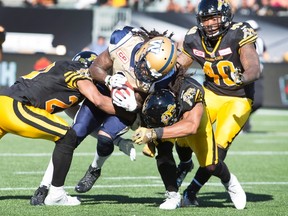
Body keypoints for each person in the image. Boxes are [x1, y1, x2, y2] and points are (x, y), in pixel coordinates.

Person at [30, 26, 178, 205]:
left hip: (126, 108)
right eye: (147, 68)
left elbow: (145, 105)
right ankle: (44, 187)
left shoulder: (162, 78)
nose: (146, 75)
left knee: (105, 138)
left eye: (153, 74)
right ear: (144, 50)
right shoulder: (125, 42)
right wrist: (108, 80)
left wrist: (133, 105)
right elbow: (96, 68)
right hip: (102, 92)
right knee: (72, 136)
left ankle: (94, 169)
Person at [0, 51, 135, 206]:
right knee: (67, 136)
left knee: (68, 135)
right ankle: (56, 194)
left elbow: (83, 124)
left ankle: (48, 190)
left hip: (4, 104)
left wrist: (117, 141)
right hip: (16, 106)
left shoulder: (63, 76)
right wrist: (131, 110)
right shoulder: (80, 72)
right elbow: (99, 102)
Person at [132, 73, 246, 210]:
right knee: (164, 150)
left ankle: (229, 182)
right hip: (168, 117)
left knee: (211, 165)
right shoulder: (149, 84)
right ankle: (172, 195)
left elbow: (191, 126)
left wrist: (153, 133)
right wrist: (149, 135)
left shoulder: (189, 90)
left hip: (194, 124)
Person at [242, 19, 269, 133]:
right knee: (246, 100)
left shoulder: (260, 41)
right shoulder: (241, 42)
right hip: (247, 74)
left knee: (257, 102)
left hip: (258, 74)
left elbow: (266, 55)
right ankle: (244, 125)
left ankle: (243, 120)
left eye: (256, 30)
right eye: (253, 30)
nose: (255, 33)